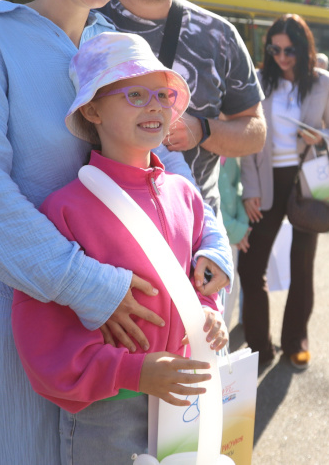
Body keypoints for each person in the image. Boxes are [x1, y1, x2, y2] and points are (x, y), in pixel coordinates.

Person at [0, 0, 232, 463]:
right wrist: (90, 287)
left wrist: (213, 243)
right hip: (26, 301)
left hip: (133, 313)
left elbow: (167, 151)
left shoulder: (114, 42)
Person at [12, 32, 229, 463]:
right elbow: (43, 333)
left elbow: (198, 278)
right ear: (92, 110)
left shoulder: (185, 195)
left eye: (164, 95)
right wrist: (132, 370)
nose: (155, 106)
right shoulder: (65, 210)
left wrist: (208, 311)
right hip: (106, 410)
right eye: (135, 94)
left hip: (182, 398)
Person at [99, 0, 266, 227]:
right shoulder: (79, 27)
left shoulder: (220, 36)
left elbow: (256, 130)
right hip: (100, 236)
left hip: (198, 241)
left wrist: (203, 130)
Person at [239, 14, 329, 370]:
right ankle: (259, 346)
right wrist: (250, 189)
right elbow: (248, 137)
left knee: (302, 266)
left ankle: (295, 339)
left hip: (308, 180)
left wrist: (321, 137)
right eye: (275, 50)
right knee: (251, 267)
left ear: (303, 49)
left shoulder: (323, 82)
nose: (282, 57)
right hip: (266, 181)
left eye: (289, 50)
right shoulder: (258, 81)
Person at [218, 154, 251, 323]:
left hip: (234, 237)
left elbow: (238, 188)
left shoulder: (229, 155)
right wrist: (237, 230)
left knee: (232, 288)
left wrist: (243, 225)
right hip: (215, 237)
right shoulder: (198, 155)